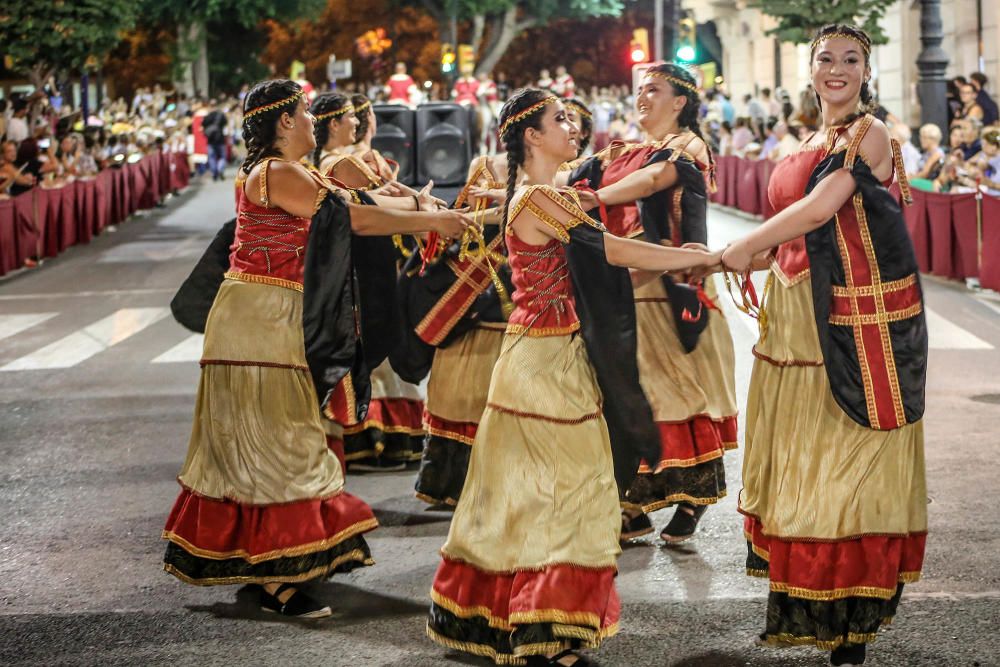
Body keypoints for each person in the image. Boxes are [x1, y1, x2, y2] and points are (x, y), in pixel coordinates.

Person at [426, 87, 721, 666]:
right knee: (563, 493)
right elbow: (613, 250)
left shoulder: (549, 194)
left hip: (554, 356)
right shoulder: (539, 198)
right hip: (542, 367)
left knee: (543, 493)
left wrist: (694, 257)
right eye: (560, 120)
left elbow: (605, 262)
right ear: (531, 135)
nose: (573, 128)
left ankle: (535, 619)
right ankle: (544, 625)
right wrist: (703, 258)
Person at [161, 79, 471, 617]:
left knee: (274, 438)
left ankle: (268, 568)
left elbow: (363, 205)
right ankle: (279, 576)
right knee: (279, 439)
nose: (315, 121)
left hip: (278, 315)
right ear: (284, 122)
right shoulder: (276, 173)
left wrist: (426, 209)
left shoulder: (298, 173)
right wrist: (432, 219)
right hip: (259, 319)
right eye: (306, 113)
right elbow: (351, 220)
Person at [721, 25, 927, 667]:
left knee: (841, 459)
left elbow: (818, 210)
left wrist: (736, 248)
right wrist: (732, 261)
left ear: (867, 70)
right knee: (802, 459)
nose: (837, 69)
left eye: (851, 60)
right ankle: (814, 602)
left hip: (839, 325)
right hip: (789, 317)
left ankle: (849, 625)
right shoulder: (805, 139)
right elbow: (796, 237)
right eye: (826, 59)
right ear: (809, 70)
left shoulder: (870, 133)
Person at [569, 63, 738, 543]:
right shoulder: (623, 149)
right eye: (639, 90)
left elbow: (650, 184)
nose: (642, 97)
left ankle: (691, 499)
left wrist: (592, 199)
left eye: (653, 90)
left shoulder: (687, 147)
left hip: (673, 288)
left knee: (677, 394)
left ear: (680, 101)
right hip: (625, 286)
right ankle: (634, 504)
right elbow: (568, 179)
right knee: (632, 392)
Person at [203, 100, 228, 181]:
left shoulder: (207, 116)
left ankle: (214, 172)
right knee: (222, 156)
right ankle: (220, 169)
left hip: (210, 140)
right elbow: (225, 123)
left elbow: (203, 126)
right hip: (220, 139)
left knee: (211, 157)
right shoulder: (221, 115)